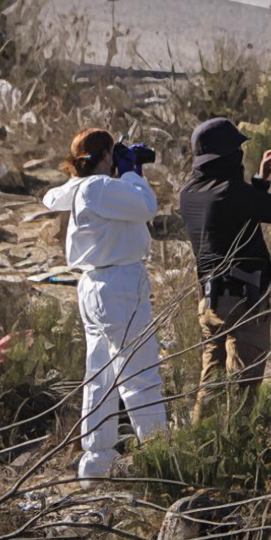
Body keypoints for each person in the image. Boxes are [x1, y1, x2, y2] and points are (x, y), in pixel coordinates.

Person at [42, 128, 167, 483]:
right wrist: (129, 172)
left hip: (95, 286)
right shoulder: (100, 188)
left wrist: (126, 172)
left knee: (101, 375)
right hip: (118, 285)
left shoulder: (83, 188)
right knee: (139, 376)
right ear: (105, 156)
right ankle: (162, 459)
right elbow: (147, 206)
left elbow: (53, 196)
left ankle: (96, 462)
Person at [178, 118, 271, 420]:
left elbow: (241, 212)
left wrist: (261, 178)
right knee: (243, 387)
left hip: (209, 302)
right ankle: (238, 445)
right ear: (229, 156)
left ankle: (199, 441)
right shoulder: (230, 192)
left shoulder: (191, 191)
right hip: (243, 303)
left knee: (211, 382)